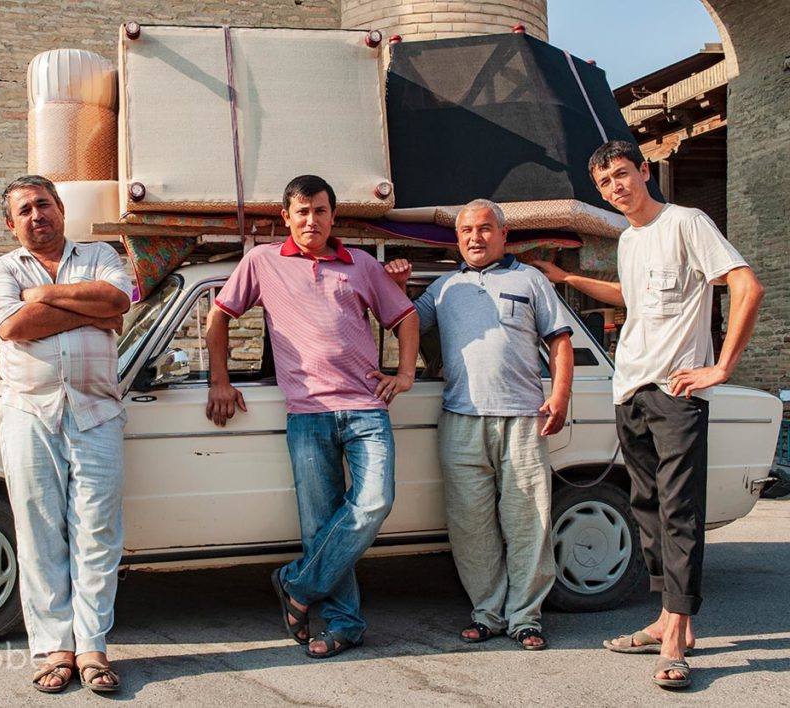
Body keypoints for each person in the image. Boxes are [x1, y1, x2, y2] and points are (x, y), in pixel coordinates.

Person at [532, 140, 764, 689]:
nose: (616, 186)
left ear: (644, 171)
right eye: (605, 182)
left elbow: (745, 285)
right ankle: (664, 620)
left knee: (679, 511)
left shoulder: (687, 222)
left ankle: (680, 639)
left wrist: (721, 367)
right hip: (630, 389)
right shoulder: (630, 239)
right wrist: (565, 281)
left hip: (676, 392)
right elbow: (630, 298)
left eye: (621, 173)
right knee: (648, 510)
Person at [205, 174, 420, 658]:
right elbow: (219, 315)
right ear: (286, 217)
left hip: (366, 407)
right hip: (307, 412)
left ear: (333, 216)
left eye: (320, 211)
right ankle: (344, 624)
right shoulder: (261, 261)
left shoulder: (361, 265)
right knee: (321, 525)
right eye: (301, 212)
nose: (311, 220)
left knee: (374, 503)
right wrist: (220, 379)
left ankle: (296, 585)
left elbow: (405, 315)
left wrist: (404, 375)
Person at [385, 199, 574, 651]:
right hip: (461, 418)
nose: (475, 237)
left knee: (529, 520)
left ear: (503, 234)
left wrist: (561, 395)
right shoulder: (445, 287)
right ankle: (488, 613)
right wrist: (398, 288)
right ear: (457, 237)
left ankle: (526, 617)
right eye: (466, 229)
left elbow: (560, 340)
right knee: (470, 525)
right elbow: (406, 325)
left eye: (485, 228)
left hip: (523, 418)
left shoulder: (530, 280)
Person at [0, 175, 132, 694]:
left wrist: (44, 295)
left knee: (98, 533)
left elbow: (120, 299)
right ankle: (54, 650)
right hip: (29, 414)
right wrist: (90, 309)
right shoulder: (0, 269)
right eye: (23, 210)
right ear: (11, 224)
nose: (35, 215)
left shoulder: (100, 255)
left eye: (43, 204)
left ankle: (92, 647)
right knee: (39, 531)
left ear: (61, 208)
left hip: (97, 413)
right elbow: (11, 327)